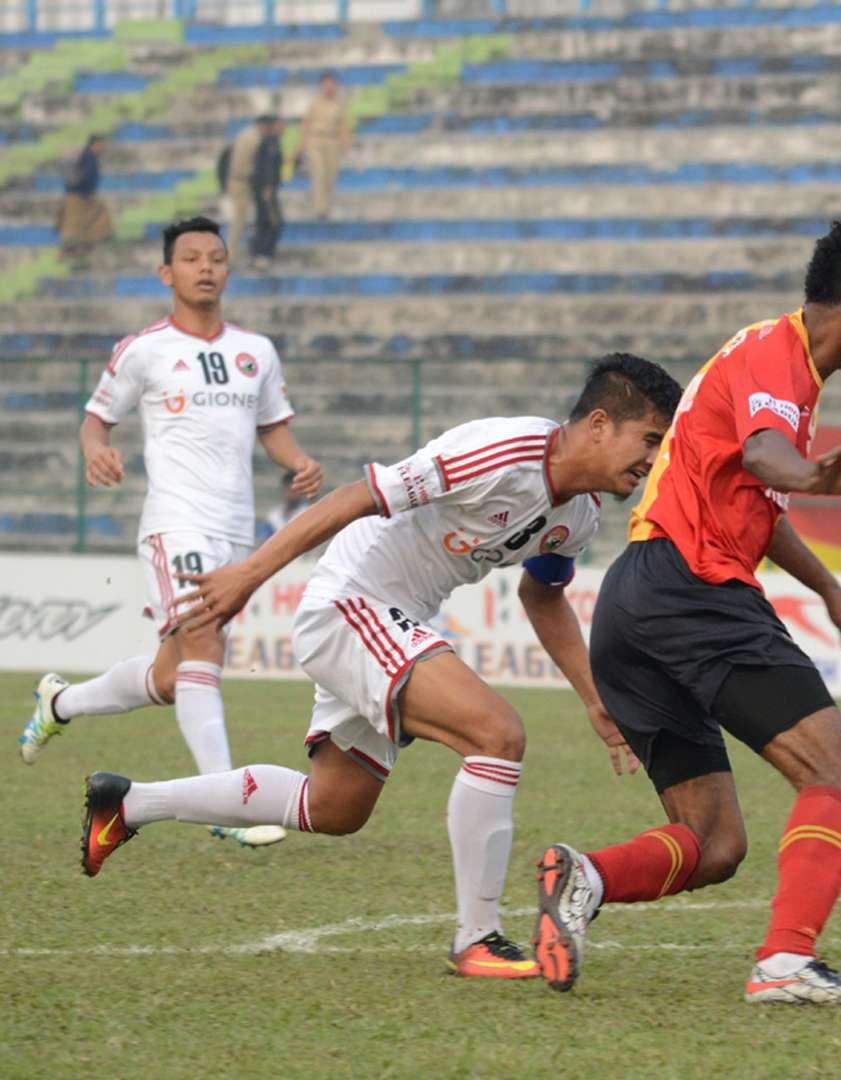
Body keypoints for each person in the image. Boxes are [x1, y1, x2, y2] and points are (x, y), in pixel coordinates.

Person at [76, 353, 683, 981]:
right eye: (650, 441)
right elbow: (354, 497)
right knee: (496, 734)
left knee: (335, 807)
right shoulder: (501, 452)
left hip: (400, 616)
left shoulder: (578, 515)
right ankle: (478, 937)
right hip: (353, 600)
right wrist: (251, 576)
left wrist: (591, 696)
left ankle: (129, 802)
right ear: (600, 423)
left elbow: (543, 595)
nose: (652, 460)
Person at [527, 211, 841, 1005]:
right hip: (693, 590)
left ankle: (587, 877)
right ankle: (785, 962)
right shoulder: (773, 354)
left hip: (634, 606)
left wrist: (830, 590)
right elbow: (765, 458)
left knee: (715, 843)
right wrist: (815, 474)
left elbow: (759, 493)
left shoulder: (780, 375)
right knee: (839, 773)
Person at [22, 216, 322, 851]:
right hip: (174, 520)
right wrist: (96, 450)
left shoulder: (257, 352)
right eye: (191, 258)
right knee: (203, 643)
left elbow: (273, 429)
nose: (205, 267)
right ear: (167, 273)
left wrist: (297, 463)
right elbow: (95, 421)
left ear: (228, 269)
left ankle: (60, 704)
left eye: (216, 257)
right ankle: (223, 796)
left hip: (236, 531)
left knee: (170, 674)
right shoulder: (143, 350)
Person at [295, 72, 353, 221]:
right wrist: (301, 145)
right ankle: (320, 209)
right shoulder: (314, 102)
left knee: (330, 176)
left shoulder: (339, 104)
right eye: (326, 84)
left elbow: (343, 126)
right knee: (318, 173)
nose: (329, 87)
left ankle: (327, 208)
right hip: (316, 140)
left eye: (331, 84)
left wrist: (346, 145)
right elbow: (305, 125)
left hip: (332, 141)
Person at [57, 134, 113, 264]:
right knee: (72, 228)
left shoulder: (90, 157)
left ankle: (82, 251)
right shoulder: (89, 157)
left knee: (95, 221)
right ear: (94, 144)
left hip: (84, 197)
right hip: (79, 197)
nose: (103, 148)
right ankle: (63, 253)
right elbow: (84, 177)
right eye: (101, 144)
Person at [224, 117, 267, 253]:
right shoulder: (253, 139)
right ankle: (231, 255)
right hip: (242, 183)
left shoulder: (245, 134)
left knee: (240, 221)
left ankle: (233, 253)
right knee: (238, 221)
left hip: (237, 181)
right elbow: (246, 165)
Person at [249, 115, 285, 267]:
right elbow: (268, 166)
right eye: (280, 125)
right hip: (266, 190)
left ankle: (259, 253)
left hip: (262, 189)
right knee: (272, 221)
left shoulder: (267, 141)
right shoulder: (271, 142)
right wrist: (269, 186)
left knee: (264, 220)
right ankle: (263, 253)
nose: (283, 129)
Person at [256, 469, 310, 543]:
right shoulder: (273, 516)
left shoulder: (307, 514)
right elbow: (265, 540)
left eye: (294, 490)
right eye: (288, 489)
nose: (291, 494)